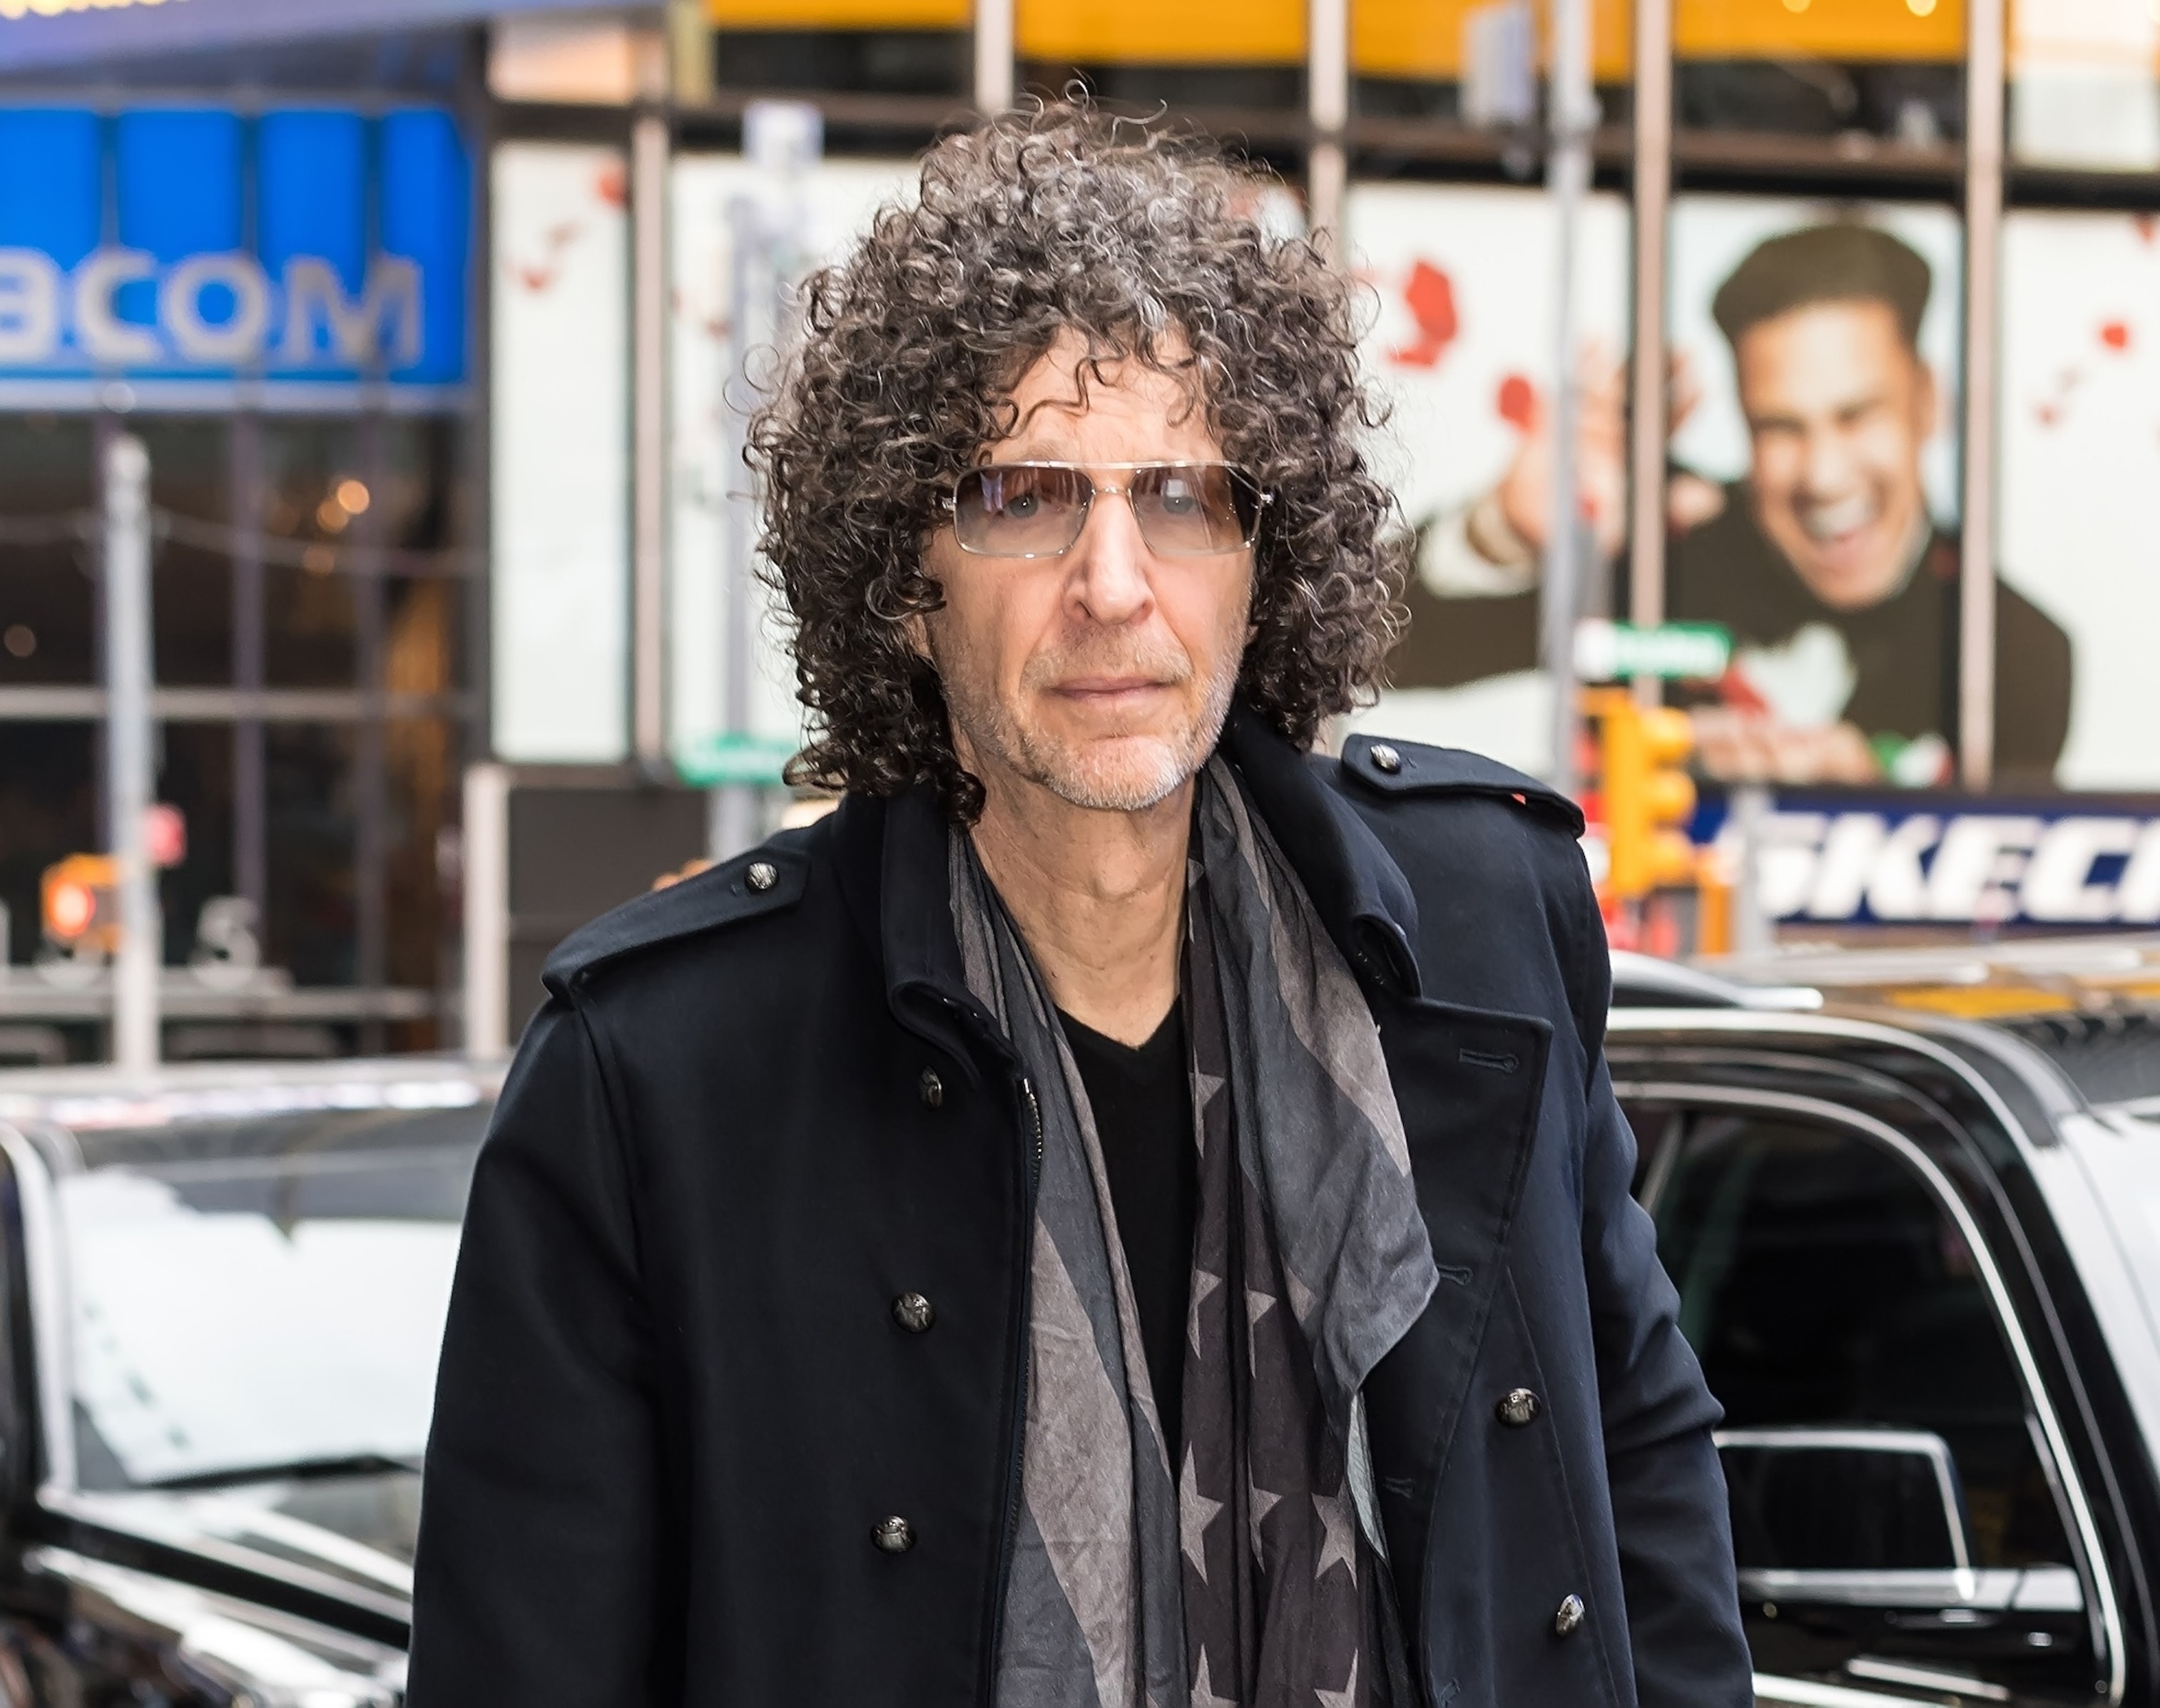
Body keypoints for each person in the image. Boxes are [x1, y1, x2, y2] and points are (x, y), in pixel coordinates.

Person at [408, 103, 1748, 1708]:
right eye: (1025, 496)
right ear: (907, 579)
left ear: (1267, 563)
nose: (1116, 582)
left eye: (1184, 496)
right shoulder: (661, 1067)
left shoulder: (1480, 916)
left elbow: (1639, 1455)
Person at [1397, 222, 2072, 789]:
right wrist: (1505, 532)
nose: (1825, 475)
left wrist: (1873, 807)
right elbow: (1380, 650)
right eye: (1780, 427)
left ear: (1927, 400)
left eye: (1857, 415)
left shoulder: (2016, 644)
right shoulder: (1667, 552)